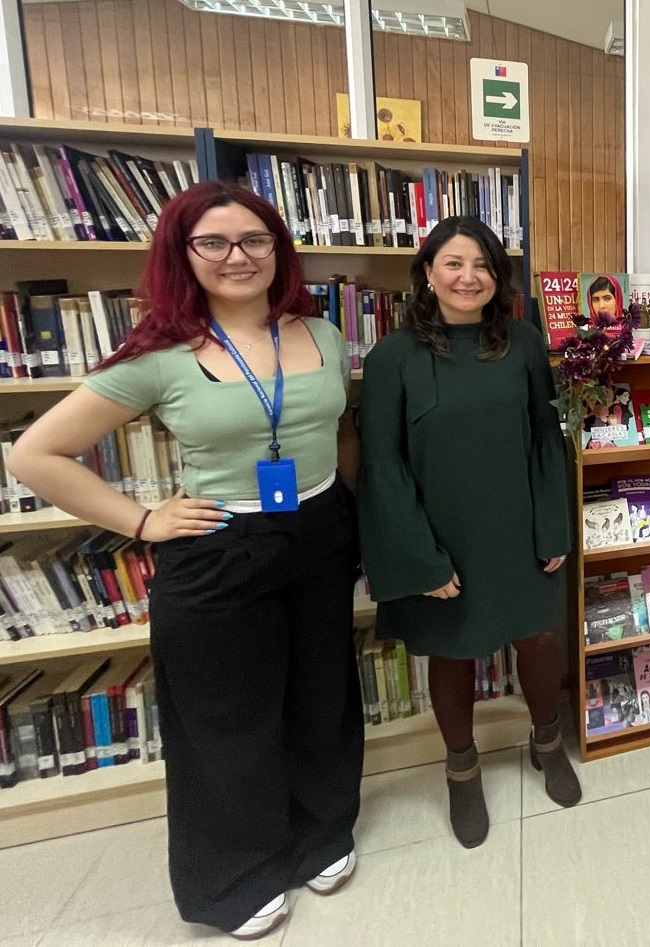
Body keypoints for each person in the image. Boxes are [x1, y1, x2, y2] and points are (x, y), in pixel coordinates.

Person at [7, 181, 363, 939]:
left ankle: (321, 832)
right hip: (221, 547)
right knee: (226, 719)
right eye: (215, 242)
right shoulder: (161, 352)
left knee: (320, 692)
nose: (237, 256)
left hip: (321, 531)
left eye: (254, 240)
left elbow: (337, 432)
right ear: (184, 252)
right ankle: (235, 875)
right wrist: (141, 518)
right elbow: (35, 454)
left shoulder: (321, 334)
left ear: (278, 250)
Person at [357, 216, 580, 852]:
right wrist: (419, 559)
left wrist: (552, 524)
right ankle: (461, 768)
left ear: (497, 277)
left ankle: (546, 742)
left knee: (537, 639)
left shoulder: (524, 342)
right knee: (452, 650)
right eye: (453, 263)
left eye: (482, 264)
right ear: (427, 273)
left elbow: (544, 437)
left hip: (518, 523)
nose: (469, 276)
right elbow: (381, 465)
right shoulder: (391, 359)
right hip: (438, 535)